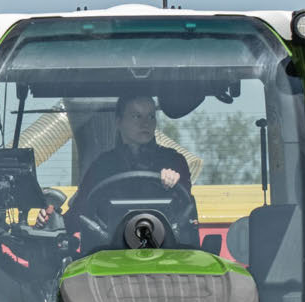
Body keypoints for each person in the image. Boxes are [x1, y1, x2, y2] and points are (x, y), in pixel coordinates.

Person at [33, 94, 191, 231]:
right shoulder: (102, 166)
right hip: (108, 253)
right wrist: (51, 219)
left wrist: (174, 186)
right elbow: (79, 214)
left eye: (151, 116)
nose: (146, 123)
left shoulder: (174, 162)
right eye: (137, 116)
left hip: (167, 252)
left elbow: (188, 213)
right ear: (118, 122)